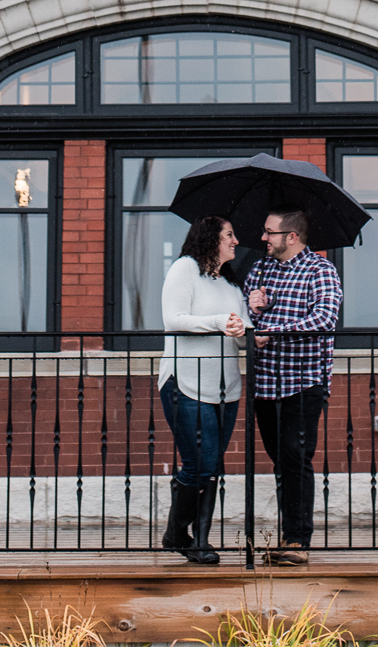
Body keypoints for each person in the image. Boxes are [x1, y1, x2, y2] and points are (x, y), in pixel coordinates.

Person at [247, 207, 342, 566]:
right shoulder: (260, 269)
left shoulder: (320, 270)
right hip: (266, 383)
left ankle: (298, 540)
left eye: (270, 232)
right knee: (281, 460)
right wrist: (253, 307)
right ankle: (289, 535)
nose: (263, 238)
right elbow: (245, 317)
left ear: (291, 236)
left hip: (303, 382)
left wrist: (275, 329)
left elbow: (325, 318)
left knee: (296, 457)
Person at [159, 215, 249, 565]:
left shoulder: (230, 284)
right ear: (211, 238)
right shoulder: (184, 269)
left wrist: (249, 316)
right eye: (230, 234)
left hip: (225, 388)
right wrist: (218, 323)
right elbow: (174, 319)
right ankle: (180, 534)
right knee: (199, 463)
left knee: (209, 465)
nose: (236, 240)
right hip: (186, 382)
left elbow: (242, 338)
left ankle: (199, 539)